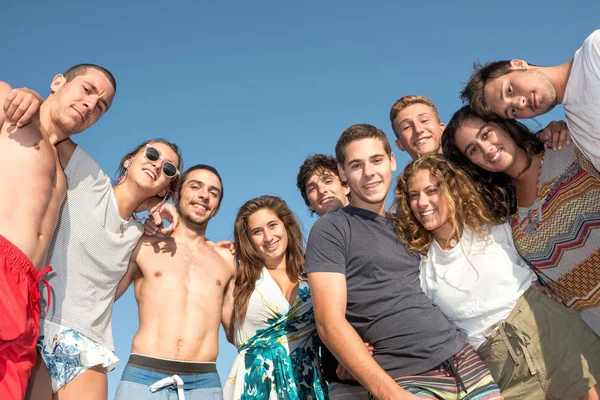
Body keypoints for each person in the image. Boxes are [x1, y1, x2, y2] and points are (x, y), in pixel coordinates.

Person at [305, 123, 502, 399]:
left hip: (461, 356)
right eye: (356, 165)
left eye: (376, 160)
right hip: (403, 375)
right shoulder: (331, 229)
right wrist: (389, 393)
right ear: (342, 172)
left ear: (392, 161)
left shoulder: (408, 224)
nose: (369, 172)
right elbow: (328, 322)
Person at [391, 154, 600, 399]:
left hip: (550, 329)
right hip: (498, 365)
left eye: (431, 190)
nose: (422, 202)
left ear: (452, 190)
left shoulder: (494, 228)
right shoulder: (421, 267)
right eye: (414, 195)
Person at [26, 139, 182, 400]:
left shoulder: (138, 234)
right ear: (128, 160)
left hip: (88, 343)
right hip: (39, 324)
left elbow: (110, 293)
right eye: (152, 154)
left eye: (168, 169)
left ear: (166, 187)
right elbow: (50, 128)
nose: (157, 165)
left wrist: (154, 212)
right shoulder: (88, 176)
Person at [0, 63, 116, 400]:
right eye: (87, 90)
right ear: (57, 82)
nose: (91, 105)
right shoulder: (10, 106)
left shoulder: (65, 172)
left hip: (27, 295)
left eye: (101, 106)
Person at [442, 105, 600, 337]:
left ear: (503, 125)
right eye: (473, 149)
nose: (486, 149)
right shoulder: (507, 218)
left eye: (486, 134)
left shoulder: (568, 150)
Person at [113, 164, 235, 399]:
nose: (204, 196)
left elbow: (235, 330)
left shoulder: (228, 259)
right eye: (195, 187)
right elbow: (103, 296)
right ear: (177, 194)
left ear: (217, 207)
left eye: (213, 192)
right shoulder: (142, 244)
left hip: (204, 384)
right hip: (143, 376)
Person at [223, 195, 327, 400]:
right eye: (257, 232)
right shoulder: (238, 277)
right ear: (248, 239)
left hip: (306, 382)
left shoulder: (312, 274)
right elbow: (230, 334)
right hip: (255, 384)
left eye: (273, 225)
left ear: (286, 226)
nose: (268, 237)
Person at [461, 30, 600, 170]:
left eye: (509, 90)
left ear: (518, 64)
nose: (520, 104)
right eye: (513, 111)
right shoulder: (578, 134)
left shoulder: (594, 51)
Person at [298, 154, 369, 399]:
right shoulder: (316, 247)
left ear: (345, 183)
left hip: (399, 367)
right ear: (309, 203)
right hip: (344, 379)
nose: (322, 191)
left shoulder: (381, 227)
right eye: (312, 188)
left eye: (328, 180)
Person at [389, 94, 569, 161]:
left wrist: (557, 131)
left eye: (424, 120)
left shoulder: (480, 162)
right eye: (407, 127)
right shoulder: (412, 200)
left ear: (442, 128)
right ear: (400, 145)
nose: (418, 129)